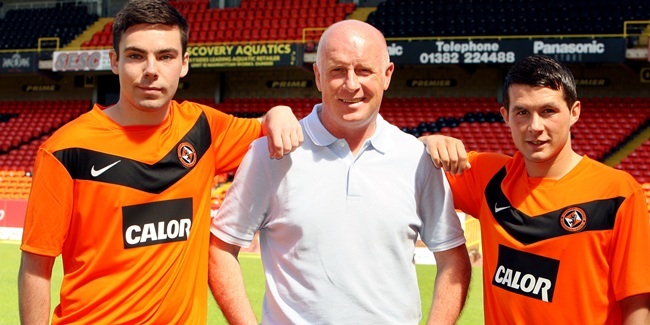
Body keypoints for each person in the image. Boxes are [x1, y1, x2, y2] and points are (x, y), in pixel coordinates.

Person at [17, 1, 302, 324]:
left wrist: (280, 111)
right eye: (136, 55)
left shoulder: (204, 128)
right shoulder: (65, 150)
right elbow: (36, 266)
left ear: (183, 64)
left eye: (165, 56)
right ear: (115, 61)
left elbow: (267, 128)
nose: (151, 69)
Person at [208, 20, 471, 325]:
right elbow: (220, 251)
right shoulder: (270, 154)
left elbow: (453, 259)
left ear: (387, 76)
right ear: (318, 76)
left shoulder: (417, 159)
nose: (351, 84)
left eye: (364, 70)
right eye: (337, 70)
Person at [423, 55, 650, 324]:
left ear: (574, 112)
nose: (535, 127)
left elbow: (637, 305)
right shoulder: (487, 176)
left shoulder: (618, 193)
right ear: (505, 116)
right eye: (522, 112)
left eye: (548, 111)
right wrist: (427, 142)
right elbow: (402, 169)